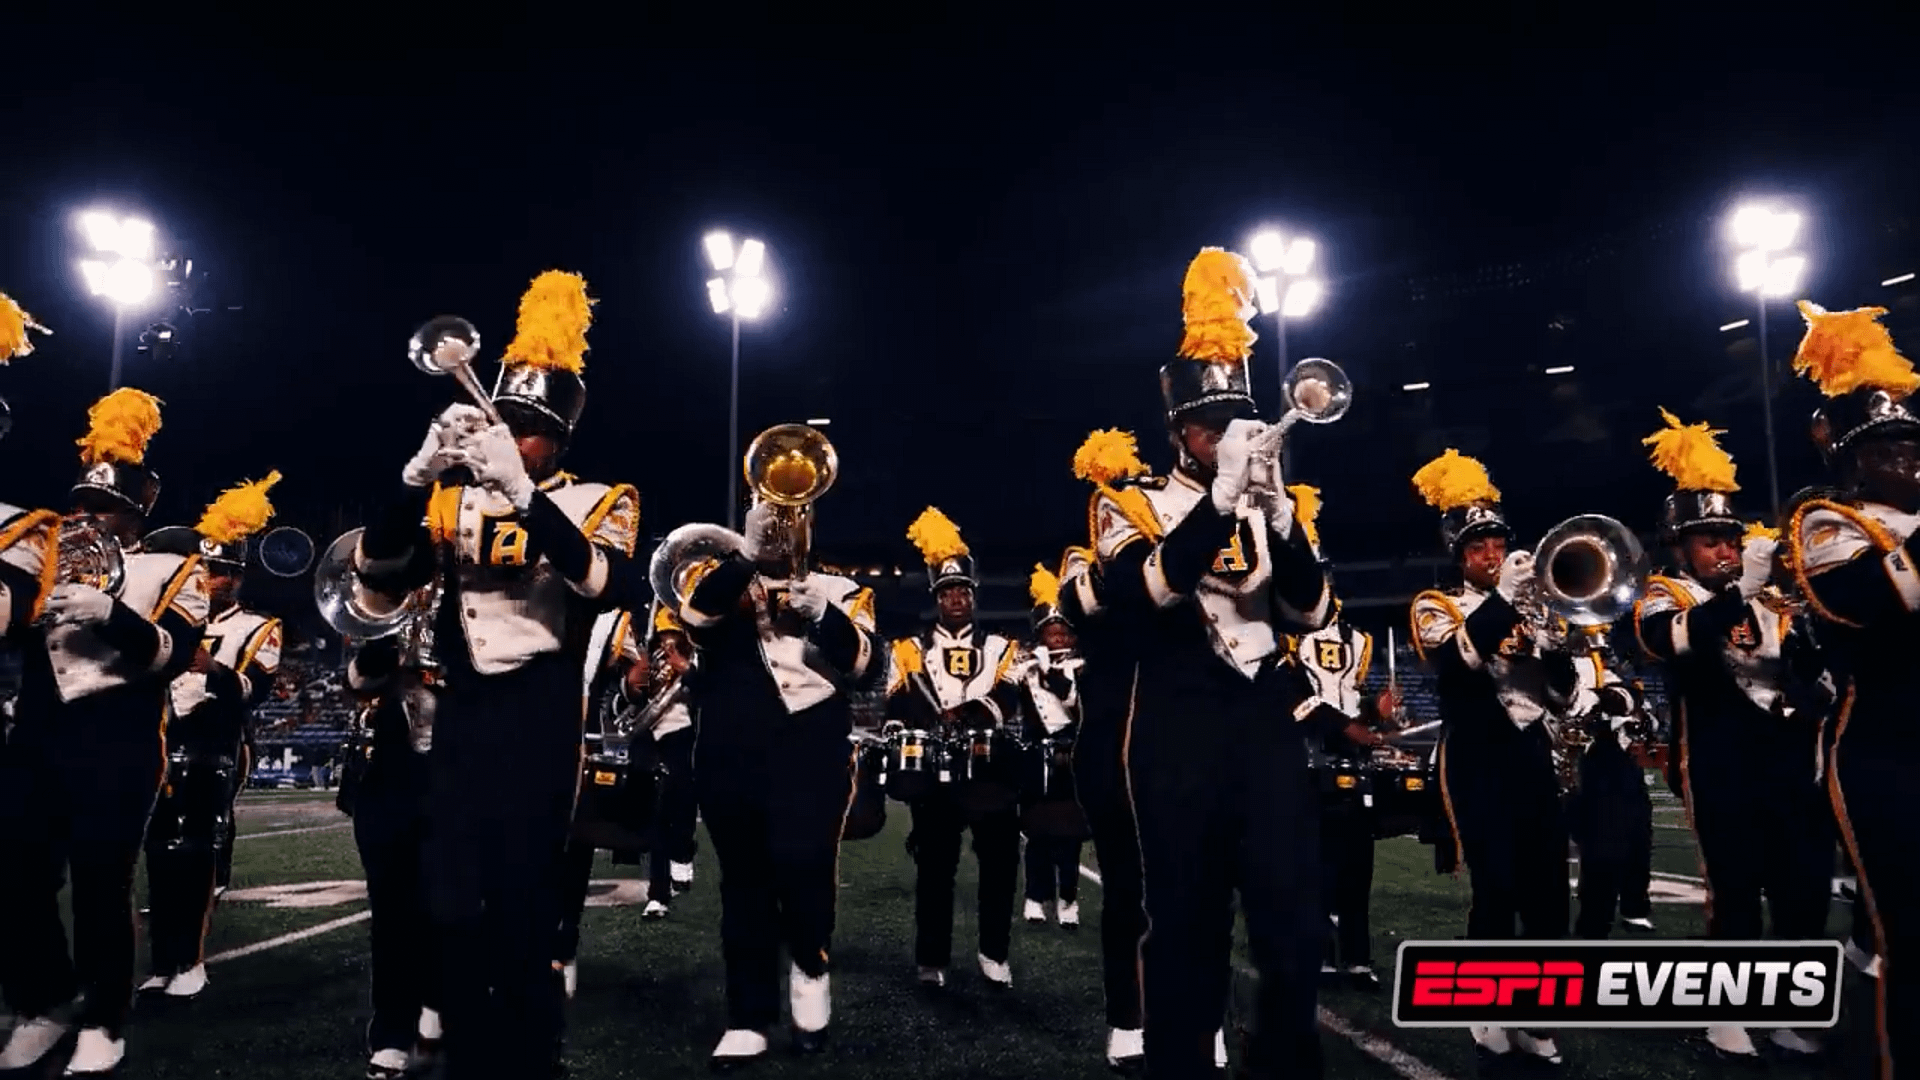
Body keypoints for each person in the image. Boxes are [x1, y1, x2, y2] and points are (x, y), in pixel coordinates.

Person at [350, 271, 638, 1079]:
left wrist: (522, 491)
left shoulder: (596, 498)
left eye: (527, 429)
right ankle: (467, 1051)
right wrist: (413, 479)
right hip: (462, 714)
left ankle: (533, 1057)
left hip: (539, 713)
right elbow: (378, 576)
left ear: (557, 440)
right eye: (499, 421)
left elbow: (604, 582)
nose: (507, 436)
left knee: (522, 905)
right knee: (447, 901)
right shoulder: (449, 499)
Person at [1090, 248, 1335, 1079]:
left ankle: (1286, 1066)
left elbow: (1310, 610)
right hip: (1176, 727)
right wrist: (1221, 501)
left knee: (1298, 925)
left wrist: (1280, 515)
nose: (1227, 437)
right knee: (1188, 926)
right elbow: (1148, 589)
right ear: (1178, 433)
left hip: (1262, 728)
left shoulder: (1279, 502)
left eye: (1238, 422)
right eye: (1208, 426)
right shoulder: (1129, 503)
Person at [0, 388, 211, 1076]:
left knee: (101, 882)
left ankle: (105, 1018)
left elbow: (172, 653)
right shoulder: (43, 550)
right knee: (16, 875)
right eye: (81, 504)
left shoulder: (173, 567)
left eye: (102, 508)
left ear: (133, 512)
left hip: (117, 741)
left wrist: (110, 612)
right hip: (37, 734)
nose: (86, 516)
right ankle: (46, 999)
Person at [1629, 408, 1834, 1060]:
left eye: (1729, 537)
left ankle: (1788, 1008)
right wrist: (1741, 590)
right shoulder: (1664, 593)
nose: (1724, 549)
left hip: (1788, 759)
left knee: (1803, 888)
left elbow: (1807, 680)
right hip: (1719, 761)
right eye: (1709, 540)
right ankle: (1727, 1010)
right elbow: (1672, 644)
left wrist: (1811, 639)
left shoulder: (1772, 600)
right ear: (1678, 544)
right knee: (1738, 888)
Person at [671, 492, 881, 1067]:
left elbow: (869, 668)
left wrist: (826, 615)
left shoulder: (841, 589)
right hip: (729, 748)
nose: (785, 527)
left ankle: (811, 969)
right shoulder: (722, 578)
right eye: (772, 517)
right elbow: (696, 620)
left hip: (810, 748)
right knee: (743, 880)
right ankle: (748, 1015)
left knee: (804, 861)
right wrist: (746, 556)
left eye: (794, 515)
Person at [1784, 301, 1920, 1080]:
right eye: (1892, 451)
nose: (1910, 464)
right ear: (1855, 462)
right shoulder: (1827, 522)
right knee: (1905, 933)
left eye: (1914, 446)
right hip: (1884, 758)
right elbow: (1878, 600)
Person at [1407, 447, 1573, 1068]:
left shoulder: (1534, 606)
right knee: (1497, 886)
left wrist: (1555, 642)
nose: (1493, 554)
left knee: (1550, 892)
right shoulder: (1435, 603)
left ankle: (1539, 1013)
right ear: (1459, 555)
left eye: (1498, 542)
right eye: (1479, 546)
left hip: (1532, 753)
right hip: (1475, 757)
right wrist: (1505, 601)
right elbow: (1454, 665)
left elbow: (1562, 692)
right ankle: (1487, 1004)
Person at [140, 472, 287, 1001]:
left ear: (237, 578)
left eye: (221, 572)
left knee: (197, 849)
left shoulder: (257, 626)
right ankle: (162, 962)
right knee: (158, 851)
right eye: (206, 570)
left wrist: (212, 670)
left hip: (211, 745)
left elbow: (255, 689)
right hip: (158, 739)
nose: (210, 580)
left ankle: (192, 961)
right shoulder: (174, 617)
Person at [885, 507, 1024, 991]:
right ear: (937, 600)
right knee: (936, 869)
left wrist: (969, 714)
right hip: (937, 775)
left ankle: (993, 953)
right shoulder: (909, 650)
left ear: (973, 596)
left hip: (992, 771)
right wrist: (923, 720)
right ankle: (932, 959)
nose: (957, 598)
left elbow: (1010, 694)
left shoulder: (1003, 646)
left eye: (963, 590)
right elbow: (896, 705)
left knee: (1001, 867)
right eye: (948, 592)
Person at [342, 634, 443, 1080]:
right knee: (390, 917)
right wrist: (385, 647)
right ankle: (391, 1034)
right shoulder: (391, 608)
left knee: (451, 910)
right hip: (388, 783)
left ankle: (439, 1007)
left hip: (458, 769)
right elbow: (356, 682)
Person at [1289, 583, 1396, 993]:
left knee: (1356, 869)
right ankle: (1314, 953)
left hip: (1353, 767)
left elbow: (1350, 699)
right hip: (1303, 763)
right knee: (1312, 867)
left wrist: (1375, 712)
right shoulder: (1285, 635)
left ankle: (1356, 957)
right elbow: (1297, 700)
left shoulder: (1359, 640)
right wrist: (1349, 727)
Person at [553, 607, 650, 1001]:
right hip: (507, 743)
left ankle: (562, 952)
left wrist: (631, 684)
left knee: (570, 857)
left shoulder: (610, 620)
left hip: (572, 753)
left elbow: (617, 703)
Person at [1015, 563, 1087, 930]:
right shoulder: (1026, 667)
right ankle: (1034, 897)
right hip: (1035, 755)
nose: (1057, 640)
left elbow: (1076, 705)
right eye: (1051, 634)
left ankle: (1068, 899)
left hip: (1072, 754)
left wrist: (1052, 674)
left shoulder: (1082, 668)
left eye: (1063, 634)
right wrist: (1027, 667)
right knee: (1037, 832)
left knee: (1071, 834)